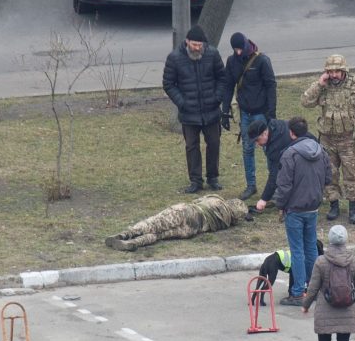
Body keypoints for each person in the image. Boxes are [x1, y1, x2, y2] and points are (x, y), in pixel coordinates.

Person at [300, 53, 355, 226]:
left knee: (351, 174)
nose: (334, 75)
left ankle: (353, 208)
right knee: (330, 174)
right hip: (327, 139)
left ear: (343, 71)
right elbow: (305, 101)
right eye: (330, 71)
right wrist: (319, 84)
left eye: (337, 71)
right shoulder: (322, 86)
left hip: (348, 140)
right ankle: (333, 205)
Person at [163, 24, 228, 194]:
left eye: (200, 45)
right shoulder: (175, 58)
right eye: (194, 45)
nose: (197, 48)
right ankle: (195, 180)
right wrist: (182, 102)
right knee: (192, 146)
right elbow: (168, 84)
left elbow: (222, 78)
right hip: (189, 112)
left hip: (211, 110)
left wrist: (217, 98)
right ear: (187, 42)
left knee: (214, 143)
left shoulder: (212, 54)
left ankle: (213, 177)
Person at [274, 116, 332, 306]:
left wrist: (280, 205)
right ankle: (314, 288)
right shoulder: (321, 151)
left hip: (295, 209)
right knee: (311, 249)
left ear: (291, 133)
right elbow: (328, 178)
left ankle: (298, 292)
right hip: (313, 208)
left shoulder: (289, 154)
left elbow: (284, 185)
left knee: (297, 251)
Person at [222, 32, 278, 201]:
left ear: (246, 45)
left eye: (240, 48)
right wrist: (225, 111)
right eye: (235, 49)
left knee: (269, 149)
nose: (238, 52)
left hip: (261, 112)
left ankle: (273, 187)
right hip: (245, 112)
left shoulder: (262, 60)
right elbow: (228, 86)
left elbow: (270, 86)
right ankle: (251, 185)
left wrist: (271, 113)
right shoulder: (232, 62)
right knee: (247, 149)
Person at [104, 194, 245, 251]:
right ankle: (133, 243)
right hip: (192, 230)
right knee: (159, 235)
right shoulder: (226, 222)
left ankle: (124, 235)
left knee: (153, 223)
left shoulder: (216, 199)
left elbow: (197, 201)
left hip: (188, 212)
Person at [246, 118, 293, 216]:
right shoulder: (274, 125)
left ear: (264, 133)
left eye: (257, 140)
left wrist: (263, 199)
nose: (257, 144)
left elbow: (275, 175)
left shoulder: (276, 147)